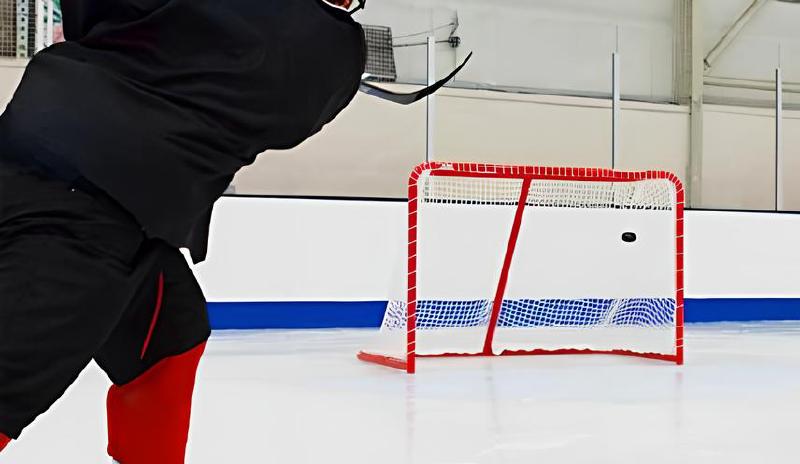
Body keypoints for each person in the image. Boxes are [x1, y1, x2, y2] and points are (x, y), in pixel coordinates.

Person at [0, 0, 366, 461]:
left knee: (173, 336)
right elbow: (292, 117)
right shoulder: (333, 51)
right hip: (86, 213)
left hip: (46, 150)